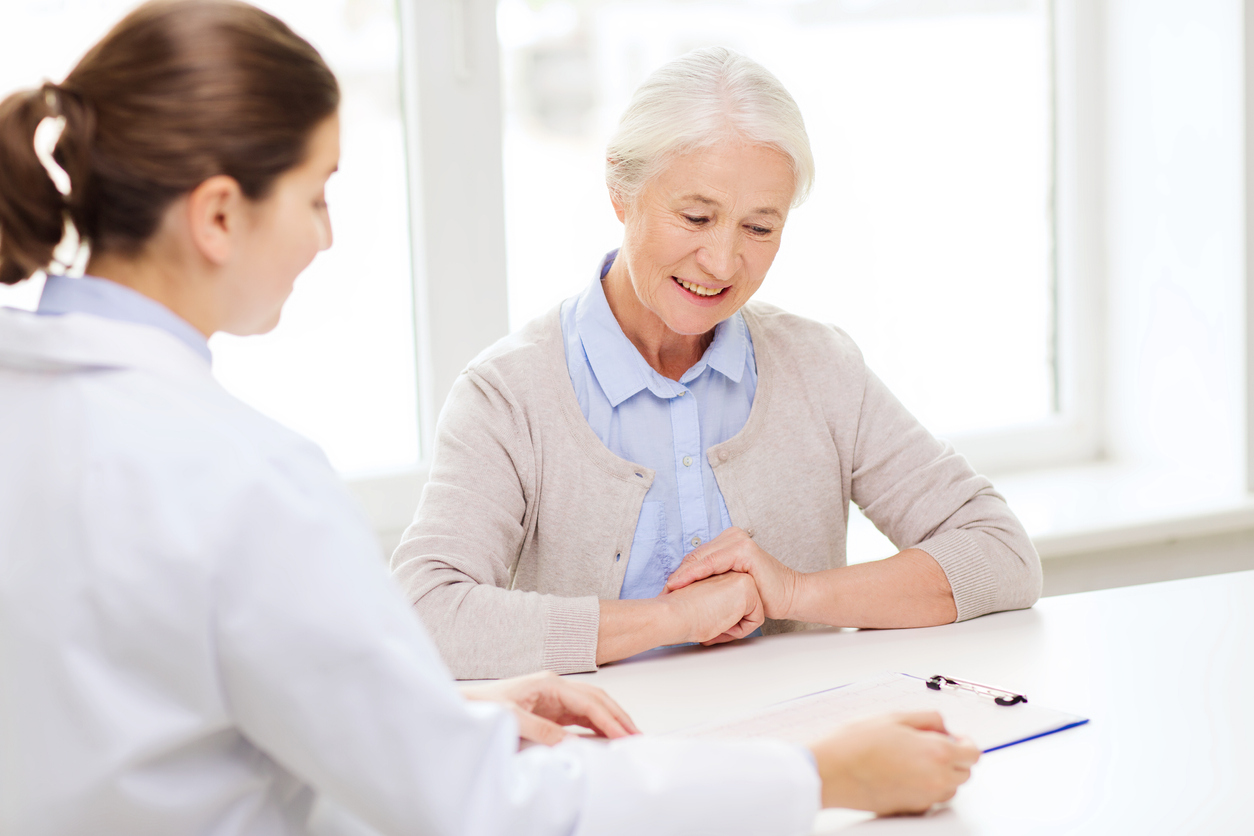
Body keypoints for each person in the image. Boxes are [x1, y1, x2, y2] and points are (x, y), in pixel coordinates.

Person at [0, 3, 981, 834]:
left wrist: (454, 708)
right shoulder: (244, 477)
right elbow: (482, 802)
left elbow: (180, 715)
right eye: (316, 193)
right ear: (218, 216)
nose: (325, 235)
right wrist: (819, 776)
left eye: (759, 225)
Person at [391, 47, 1043, 681]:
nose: (724, 263)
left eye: (759, 228)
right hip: (609, 771)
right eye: (696, 216)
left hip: (805, 755)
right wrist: (668, 619)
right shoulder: (508, 396)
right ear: (622, 189)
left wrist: (791, 592)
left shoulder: (820, 368)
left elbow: (1002, 555)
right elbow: (424, 614)